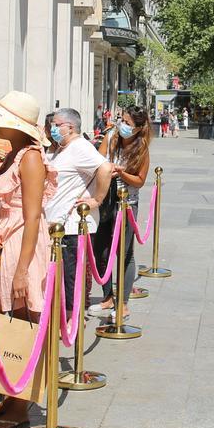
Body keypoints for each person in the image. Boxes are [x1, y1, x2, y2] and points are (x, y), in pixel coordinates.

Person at [0, 91, 56, 428]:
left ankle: (21, 405)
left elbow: (33, 216)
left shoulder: (30, 158)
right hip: (7, 243)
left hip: (24, 243)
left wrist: (22, 270)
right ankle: (13, 395)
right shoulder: (13, 155)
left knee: (24, 323)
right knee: (11, 322)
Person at [44, 108, 112, 316]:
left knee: (71, 274)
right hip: (56, 223)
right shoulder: (61, 148)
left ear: (70, 127)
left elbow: (106, 168)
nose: (52, 129)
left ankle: (73, 315)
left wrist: (97, 199)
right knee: (61, 274)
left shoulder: (81, 147)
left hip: (73, 225)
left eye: (56, 125)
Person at [90, 106, 152, 315]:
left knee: (124, 253)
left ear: (138, 129)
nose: (122, 125)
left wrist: (122, 173)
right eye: (122, 120)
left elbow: (140, 181)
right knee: (100, 250)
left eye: (128, 123)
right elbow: (98, 162)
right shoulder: (111, 136)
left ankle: (123, 303)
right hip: (104, 199)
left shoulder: (141, 149)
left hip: (126, 204)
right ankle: (108, 297)